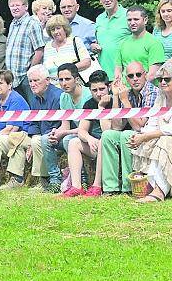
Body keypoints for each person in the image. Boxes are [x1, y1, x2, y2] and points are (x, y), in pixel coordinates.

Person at [130, 62, 172, 202]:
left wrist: (147, 136)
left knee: (164, 141)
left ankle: (160, 191)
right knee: (139, 139)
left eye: (167, 79)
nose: (162, 82)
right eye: (160, 79)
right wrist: (142, 135)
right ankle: (145, 184)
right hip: (165, 135)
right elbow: (153, 123)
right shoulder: (160, 98)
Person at [100, 61, 159, 193]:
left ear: (145, 75)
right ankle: (111, 187)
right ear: (127, 79)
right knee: (108, 135)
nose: (135, 79)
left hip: (151, 134)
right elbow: (116, 126)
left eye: (138, 74)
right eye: (131, 76)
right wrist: (116, 97)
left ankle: (128, 186)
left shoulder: (152, 92)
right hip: (136, 133)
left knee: (127, 135)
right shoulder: (127, 93)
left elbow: (140, 126)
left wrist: (125, 101)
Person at [41, 63, 92, 196]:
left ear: (76, 79)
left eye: (67, 79)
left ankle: (82, 179)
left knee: (68, 140)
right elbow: (65, 125)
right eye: (60, 80)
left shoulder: (88, 96)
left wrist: (63, 133)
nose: (63, 83)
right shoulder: (64, 96)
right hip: (74, 133)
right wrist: (57, 133)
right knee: (46, 139)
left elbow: (85, 129)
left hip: (88, 135)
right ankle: (55, 180)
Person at [64, 70, 111, 197]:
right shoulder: (89, 104)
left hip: (110, 145)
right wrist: (89, 138)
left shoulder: (114, 102)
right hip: (95, 144)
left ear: (109, 87)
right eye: (94, 90)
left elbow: (108, 131)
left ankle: (97, 185)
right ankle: (76, 186)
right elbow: (81, 131)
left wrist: (101, 108)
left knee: (104, 140)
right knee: (73, 142)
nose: (99, 93)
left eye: (102, 89)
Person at [22, 64, 63, 192]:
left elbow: (57, 124)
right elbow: (33, 123)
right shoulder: (34, 98)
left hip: (57, 134)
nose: (32, 84)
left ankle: (47, 179)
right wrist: (34, 137)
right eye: (30, 81)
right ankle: (39, 180)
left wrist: (36, 139)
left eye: (36, 81)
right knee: (31, 140)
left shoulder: (58, 96)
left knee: (39, 141)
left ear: (47, 81)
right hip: (42, 134)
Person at [5, 0, 46, 101]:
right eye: (12, 6)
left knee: (32, 109)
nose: (15, 8)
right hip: (13, 77)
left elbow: (39, 50)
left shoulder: (32, 23)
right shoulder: (12, 24)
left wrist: (30, 71)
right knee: (18, 111)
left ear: (26, 7)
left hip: (27, 77)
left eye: (17, 5)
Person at [113, 5, 165, 82]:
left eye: (136, 19)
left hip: (147, 90)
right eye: (129, 20)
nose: (132, 23)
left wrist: (136, 89)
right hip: (125, 90)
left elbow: (153, 73)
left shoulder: (154, 43)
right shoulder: (122, 43)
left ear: (145, 20)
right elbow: (118, 70)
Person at [92, 0, 130, 81]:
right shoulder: (99, 19)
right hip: (104, 75)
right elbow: (100, 41)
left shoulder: (128, 16)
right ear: (100, 0)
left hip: (125, 74)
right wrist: (94, 47)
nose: (107, 0)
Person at [41, 15, 91, 80]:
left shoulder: (75, 41)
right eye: (53, 30)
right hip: (53, 86)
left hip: (73, 84)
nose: (56, 32)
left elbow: (87, 62)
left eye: (58, 28)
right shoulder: (47, 46)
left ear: (65, 28)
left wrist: (67, 70)